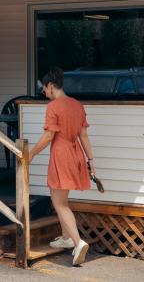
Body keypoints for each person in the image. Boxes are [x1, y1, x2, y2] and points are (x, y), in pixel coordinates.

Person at [28, 68, 96, 266]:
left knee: (59, 203)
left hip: (61, 154)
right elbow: (84, 136)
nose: (44, 93)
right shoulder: (77, 104)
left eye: (44, 90)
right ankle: (67, 237)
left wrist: (31, 153)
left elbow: (49, 136)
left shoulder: (54, 106)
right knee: (62, 197)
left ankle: (77, 243)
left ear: (50, 86)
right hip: (76, 153)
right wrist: (91, 162)